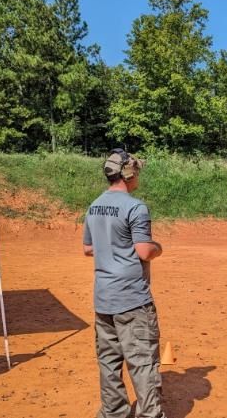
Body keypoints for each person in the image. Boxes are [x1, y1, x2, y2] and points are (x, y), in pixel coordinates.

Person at [83, 149, 166, 418]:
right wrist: (158, 248)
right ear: (128, 173)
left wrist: (112, 247)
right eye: (136, 170)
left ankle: (113, 412)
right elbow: (144, 251)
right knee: (143, 363)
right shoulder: (135, 207)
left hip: (104, 298)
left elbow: (87, 248)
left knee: (109, 362)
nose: (138, 174)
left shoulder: (94, 205)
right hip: (132, 299)